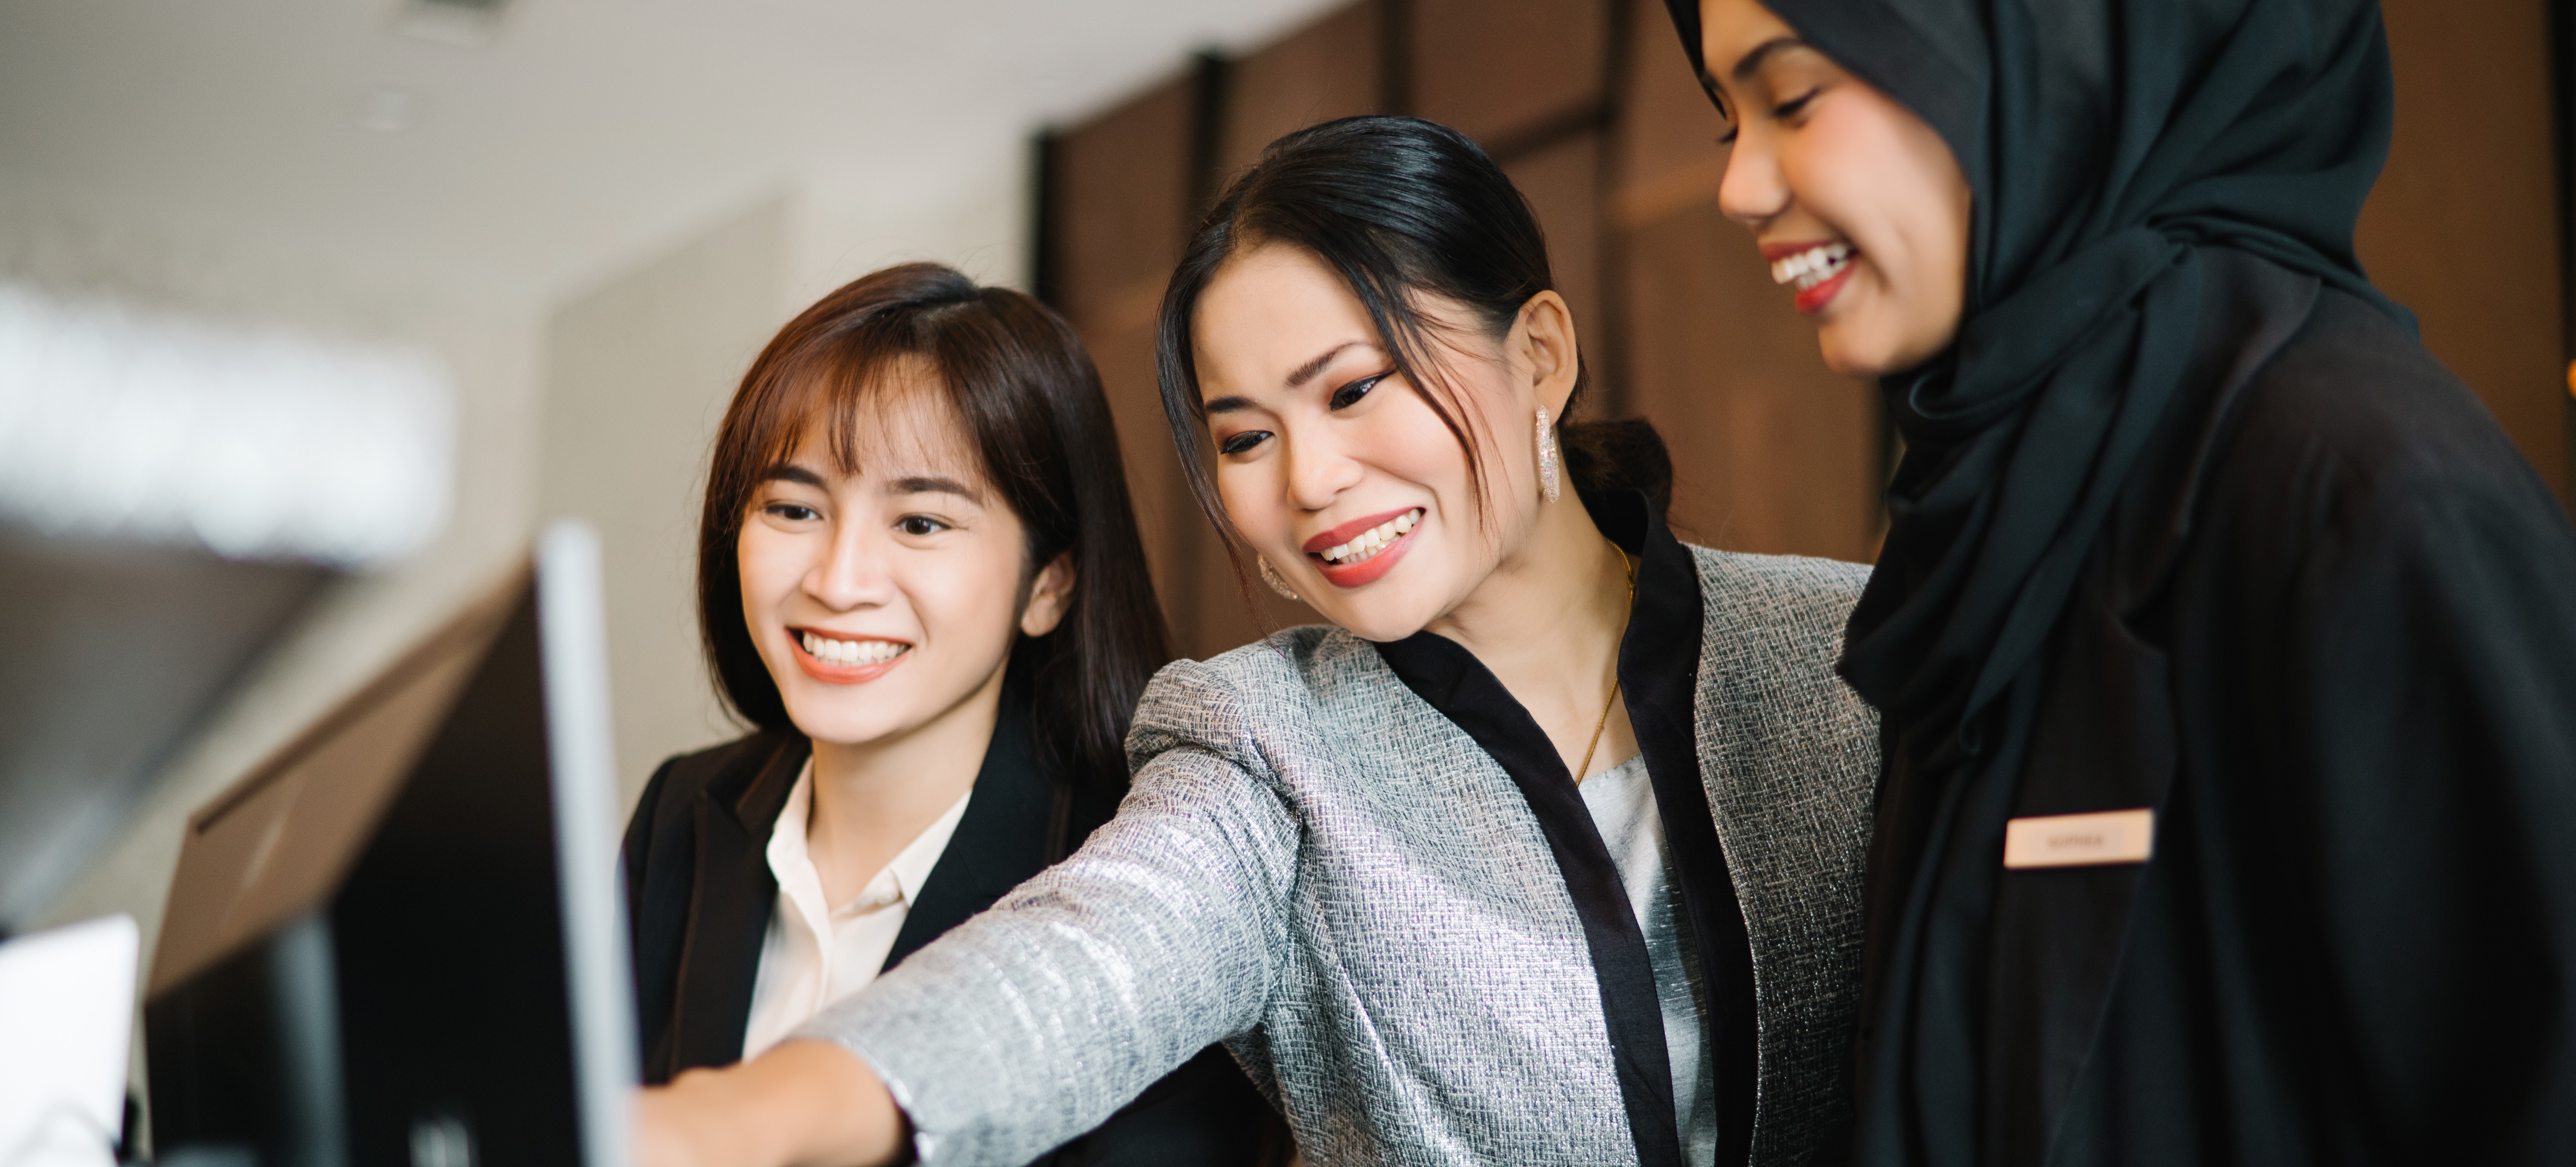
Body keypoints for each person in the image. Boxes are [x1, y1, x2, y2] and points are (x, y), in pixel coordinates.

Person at [637, 116, 1880, 1167]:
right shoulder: (1262, 738)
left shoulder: (1852, 650)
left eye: (1352, 389)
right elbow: (1077, 965)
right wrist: (713, 1118)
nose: (1314, 478)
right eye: (1244, 438)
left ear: (1540, 353)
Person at [1663, 0, 2576, 1163]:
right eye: (1725, 121)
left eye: (1792, 98)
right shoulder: (2000, 512)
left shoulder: (2355, 494)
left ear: (2058, 57)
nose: (1740, 185)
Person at [618, 262, 1280, 1165]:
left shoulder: (1142, 888)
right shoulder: (682, 816)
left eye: (920, 524)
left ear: (1048, 583)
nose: (837, 581)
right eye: (793, 508)